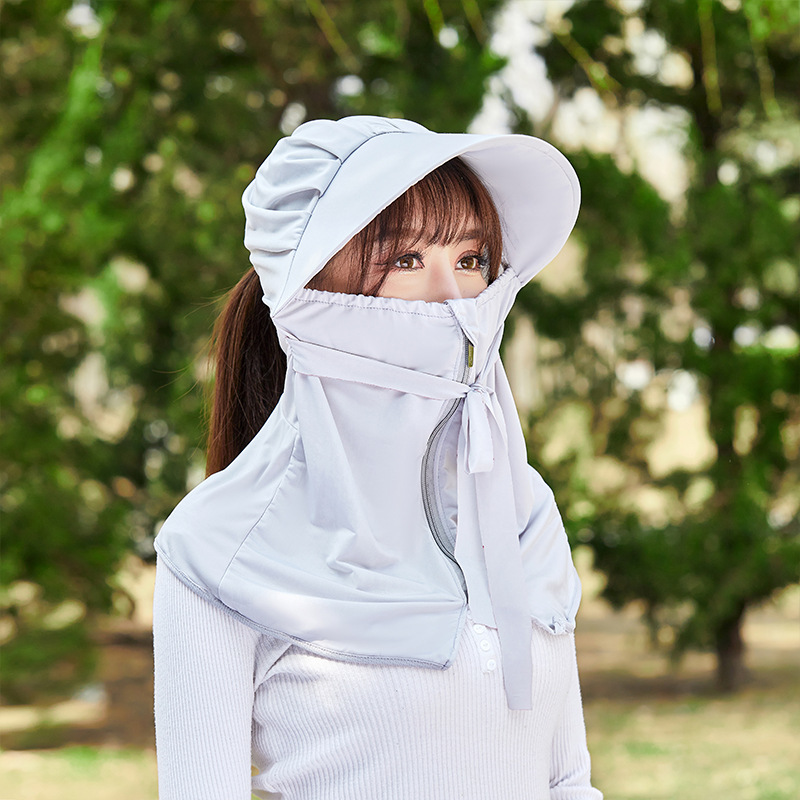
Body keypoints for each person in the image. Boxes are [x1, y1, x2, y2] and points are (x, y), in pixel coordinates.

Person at [153, 115, 602, 800]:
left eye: (472, 259)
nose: (454, 297)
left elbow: (567, 780)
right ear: (311, 294)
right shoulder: (218, 543)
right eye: (406, 260)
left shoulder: (522, 505)